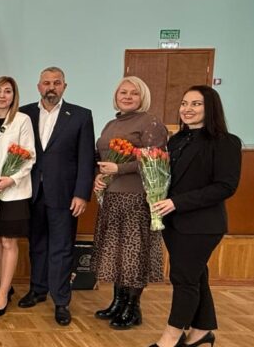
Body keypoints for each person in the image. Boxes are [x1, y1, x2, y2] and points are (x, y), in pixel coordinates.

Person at [150, 86, 242, 347]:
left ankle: (171, 337)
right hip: (173, 223)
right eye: (184, 103)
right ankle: (202, 331)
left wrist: (176, 203)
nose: (187, 109)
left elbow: (225, 187)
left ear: (210, 107)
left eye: (196, 104)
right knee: (196, 275)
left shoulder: (226, 142)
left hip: (202, 225)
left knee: (184, 279)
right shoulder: (176, 140)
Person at [18, 66, 95, 326]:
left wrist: (82, 194)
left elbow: (86, 159)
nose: (51, 87)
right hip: (31, 193)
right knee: (37, 245)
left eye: (57, 82)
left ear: (64, 86)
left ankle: (61, 300)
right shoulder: (24, 114)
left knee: (61, 248)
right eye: (46, 82)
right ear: (38, 86)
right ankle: (37, 290)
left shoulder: (81, 116)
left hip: (65, 195)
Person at [90, 76, 167, 329]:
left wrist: (120, 169)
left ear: (142, 97)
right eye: (123, 92)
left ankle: (133, 308)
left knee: (134, 254)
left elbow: (156, 161)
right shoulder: (111, 123)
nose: (128, 97)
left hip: (137, 198)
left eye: (134, 93)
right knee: (116, 253)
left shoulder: (150, 122)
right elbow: (101, 157)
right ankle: (118, 302)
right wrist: (98, 176)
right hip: (111, 198)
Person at [0, 76, 36, 318]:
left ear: (14, 96)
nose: (2, 96)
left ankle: (2, 294)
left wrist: (11, 179)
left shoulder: (22, 120)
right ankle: (6, 285)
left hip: (14, 192)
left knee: (8, 242)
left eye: (7, 91)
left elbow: (29, 156)